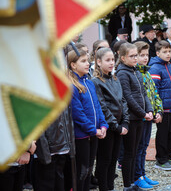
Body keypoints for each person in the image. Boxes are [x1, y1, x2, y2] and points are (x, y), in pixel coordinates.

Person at [67, 48, 108, 191]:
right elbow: (78, 114)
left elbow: (97, 107)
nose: (87, 64)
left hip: (94, 133)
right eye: (83, 61)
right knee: (81, 171)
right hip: (82, 136)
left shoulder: (89, 83)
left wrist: (103, 125)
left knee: (89, 169)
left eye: (88, 61)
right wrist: (93, 130)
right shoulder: (72, 86)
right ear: (73, 65)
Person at [115, 43, 153, 191]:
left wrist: (149, 110)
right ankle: (127, 184)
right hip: (131, 118)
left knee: (136, 150)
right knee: (129, 153)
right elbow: (128, 97)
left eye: (136, 55)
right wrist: (143, 113)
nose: (135, 58)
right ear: (123, 57)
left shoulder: (136, 71)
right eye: (132, 56)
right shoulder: (123, 73)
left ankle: (133, 181)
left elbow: (143, 93)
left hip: (139, 118)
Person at [91, 48, 129, 191]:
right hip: (107, 127)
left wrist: (125, 121)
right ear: (98, 62)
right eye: (108, 60)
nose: (111, 63)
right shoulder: (96, 82)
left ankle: (110, 187)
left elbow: (123, 100)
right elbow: (102, 106)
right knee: (104, 160)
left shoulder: (115, 78)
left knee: (113, 159)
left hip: (118, 125)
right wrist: (115, 125)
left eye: (113, 59)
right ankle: (104, 187)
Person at [148, 40, 171, 170]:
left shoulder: (170, 66)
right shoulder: (155, 68)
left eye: (169, 51)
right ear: (157, 53)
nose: (168, 54)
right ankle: (161, 159)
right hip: (163, 109)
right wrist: (158, 110)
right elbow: (154, 91)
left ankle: (168, 156)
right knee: (163, 134)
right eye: (164, 52)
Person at [133, 41, 163, 190]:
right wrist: (145, 113)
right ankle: (137, 176)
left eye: (147, 55)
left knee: (144, 147)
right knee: (138, 148)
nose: (145, 58)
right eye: (141, 55)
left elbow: (154, 94)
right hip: (141, 117)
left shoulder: (147, 72)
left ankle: (143, 174)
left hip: (149, 115)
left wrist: (158, 111)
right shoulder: (136, 73)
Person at [33, 110, 73, 191]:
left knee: (59, 185)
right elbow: (37, 125)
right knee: (45, 184)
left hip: (62, 149)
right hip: (48, 151)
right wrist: (44, 154)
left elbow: (68, 120)